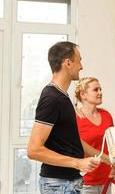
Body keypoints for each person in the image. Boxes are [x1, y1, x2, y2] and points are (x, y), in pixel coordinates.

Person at [27, 41, 101, 194]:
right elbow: (33, 150)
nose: (82, 66)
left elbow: (71, 140)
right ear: (68, 62)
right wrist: (78, 163)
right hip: (58, 185)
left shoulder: (62, 96)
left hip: (69, 182)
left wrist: (107, 158)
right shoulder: (51, 98)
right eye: (79, 60)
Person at [74, 77, 113, 194]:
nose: (100, 92)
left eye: (100, 89)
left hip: (106, 179)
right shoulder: (75, 118)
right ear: (83, 94)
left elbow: (113, 144)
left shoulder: (106, 115)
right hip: (85, 182)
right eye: (96, 90)